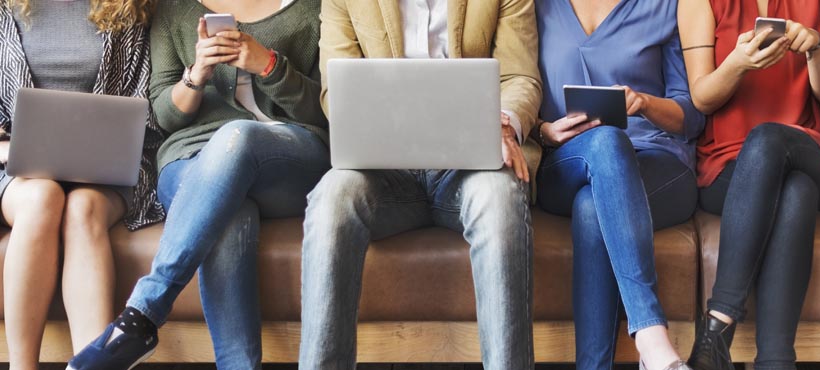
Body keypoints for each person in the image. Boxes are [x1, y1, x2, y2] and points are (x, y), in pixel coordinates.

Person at [68, 0, 329, 368]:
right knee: (227, 210)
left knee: (236, 135)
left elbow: (325, 108)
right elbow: (163, 116)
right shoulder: (175, 8)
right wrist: (198, 74)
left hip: (286, 156)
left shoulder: (312, 8)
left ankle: (142, 315)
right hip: (192, 159)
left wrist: (267, 66)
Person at [300, 0, 541, 368]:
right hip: (386, 171)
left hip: (468, 166)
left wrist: (503, 123)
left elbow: (520, 77)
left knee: (500, 198)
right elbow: (336, 90)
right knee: (332, 197)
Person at [677, 0, 820, 369]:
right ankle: (776, 360)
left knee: (769, 139)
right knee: (796, 192)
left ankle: (716, 329)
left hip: (810, 149)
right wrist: (737, 65)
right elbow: (702, 97)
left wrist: (815, 49)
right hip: (728, 165)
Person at [533, 1, 703, 369]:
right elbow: (516, 90)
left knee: (593, 207)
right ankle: (652, 339)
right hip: (566, 162)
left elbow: (690, 116)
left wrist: (644, 104)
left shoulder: (663, 7)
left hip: (656, 163)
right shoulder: (536, 7)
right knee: (607, 141)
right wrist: (543, 130)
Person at [0, 1, 163, 369]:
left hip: (107, 168)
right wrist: (12, 145)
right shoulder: (5, 9)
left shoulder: (129, 8)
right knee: (42, 197)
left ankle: (94, 364)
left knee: (82, 208)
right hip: (19, 168)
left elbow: (146, 107)